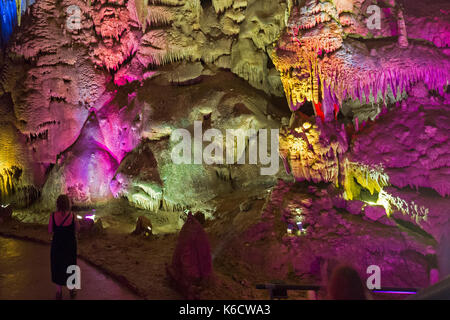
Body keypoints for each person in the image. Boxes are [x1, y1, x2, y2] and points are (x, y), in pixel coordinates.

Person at [48, 195, 80, 299]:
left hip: (57, 245)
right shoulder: (73, 215)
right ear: (67, 204)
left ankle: (59, 291)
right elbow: (77, 229)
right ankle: (71, 290)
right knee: (71, 265)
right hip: (70, 245)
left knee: (57, 266)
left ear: (57, 204)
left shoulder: (52, 216)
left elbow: (50, 230)